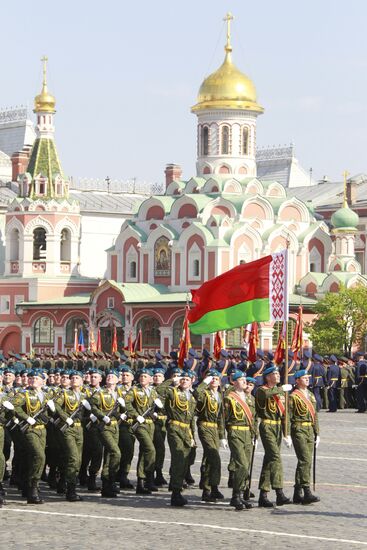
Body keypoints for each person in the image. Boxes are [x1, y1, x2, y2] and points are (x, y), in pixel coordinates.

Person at [13, 368, 55, 504]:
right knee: (39, 456)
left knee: (33, 458)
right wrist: (26, 418)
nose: (33, 380)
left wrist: (52, 409)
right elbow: (14, 407)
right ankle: (33, 488)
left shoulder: (47, 395)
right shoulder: (23, 394)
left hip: (42, 430)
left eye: (36, 378)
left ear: (43, 381)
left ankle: (29, 486)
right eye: (31, 378)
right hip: (29, 430)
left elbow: (51, 414)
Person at [255, 364, 292, 507]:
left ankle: (263, 495)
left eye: (278, 374)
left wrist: (286, 433)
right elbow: (265, 395)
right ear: (268, 377)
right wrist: (281, 389)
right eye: (275, 374)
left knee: (269, 460)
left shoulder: (281, 393)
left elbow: (285, 414)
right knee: (275, 457)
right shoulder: (262, 390)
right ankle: (279, 492)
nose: (278, 376)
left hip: (277, 426)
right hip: (267, 425)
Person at [89, 368, 125, 497]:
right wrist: (102, 416)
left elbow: (127, 407)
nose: (110, 378)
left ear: (117, 380)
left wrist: (123, 413)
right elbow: (93, 407)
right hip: (104, 427)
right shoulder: (100, 393)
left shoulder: (121, 393)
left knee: (110, 455)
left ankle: (107, 484)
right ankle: (109, 479)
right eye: (108, 376)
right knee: (116, 452)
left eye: (113, 376)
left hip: (116, 427)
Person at [54, 369, 89, 501]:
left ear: (82, 381)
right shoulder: (65, 394)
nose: (74, 380)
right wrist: (65, 417)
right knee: (73, 457)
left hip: (79, 429)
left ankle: (64, 481)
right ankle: (71, 490)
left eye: (77, 378)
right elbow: (56, 406)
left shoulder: (85, 396)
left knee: (77, 460)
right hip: (68, 428)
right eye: (72, 378)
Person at [125, 368, 161, 495]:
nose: (142, 378)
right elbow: (126, 404)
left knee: (144, 451)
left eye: (145, 376)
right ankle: (146, 478)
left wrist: (156, 413)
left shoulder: (153, 392)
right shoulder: (134, 390)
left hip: (151, 424)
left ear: (151, 379)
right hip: (139, 424)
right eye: (141, 376)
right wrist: (135, 415)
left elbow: (156, 407)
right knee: (150, 449)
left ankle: (143, 481)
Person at [224, 370, 255, 510]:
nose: (244, 381)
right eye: (241, 379)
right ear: (234, 382)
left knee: (246, 465)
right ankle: (235, 495)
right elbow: (222, 418)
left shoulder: (250, 398)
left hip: (247, 433)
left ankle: (240, 494)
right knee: (241, 464)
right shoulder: (229, 398)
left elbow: (253, 418)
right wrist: (222, 436)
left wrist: (255, 435)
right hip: (235, 432)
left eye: (245, 379)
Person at [165, 370, 197, 506]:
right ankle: (175, 493)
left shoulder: (192, 397)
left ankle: (176, 487)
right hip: (175, 427)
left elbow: (191, 420)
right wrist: (172, 381)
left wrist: (192, 436)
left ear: (192, 381)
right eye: (182, 379)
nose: (184, 381)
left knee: (185, 460)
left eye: (187, 379)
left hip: (187, 430)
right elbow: (160, 390)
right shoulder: (173, 392)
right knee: (178, 458)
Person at [194, 368, 225, 503]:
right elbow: (196, 394)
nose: (214, 380)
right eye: (211, 378)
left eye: (216, 378)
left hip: (215, 429)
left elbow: (221, 417)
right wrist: (204, 382)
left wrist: (222, 435)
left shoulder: (220, 395)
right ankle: (213, 486)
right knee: (214, 458)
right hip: (205, 426)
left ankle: (207, 490)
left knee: (208, 459)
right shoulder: (204, 393)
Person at [289, 370, 320, 504]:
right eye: (304, 377)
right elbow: (288, 417)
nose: (307, 379)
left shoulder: (311, 395)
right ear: (297, 380)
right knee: (305, 460)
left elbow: (315, 416)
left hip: (309, 430)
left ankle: (297, 492)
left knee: (304, 461)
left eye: (308, 377)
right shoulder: (293, 397)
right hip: (299, 429)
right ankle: (306, 491)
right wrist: (287, 434)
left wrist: (317, 432)